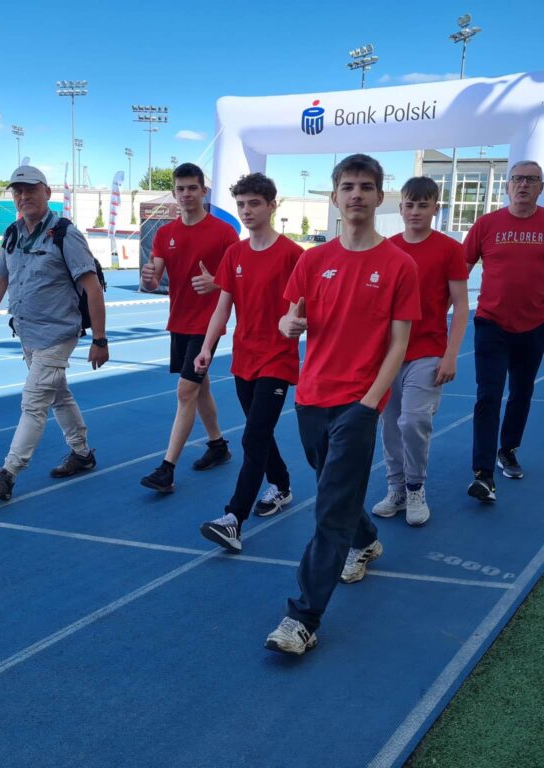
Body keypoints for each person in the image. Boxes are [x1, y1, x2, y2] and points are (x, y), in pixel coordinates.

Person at [265, 154, 420, 655]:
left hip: (359, 401)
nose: (356, 194)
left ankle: (302, 618)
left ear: (380, 197)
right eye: (348, 186)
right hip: (311, 398)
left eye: (366, 187)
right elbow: (291, 318)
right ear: (334, 197)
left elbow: (399, 343)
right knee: (337, 489)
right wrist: (289, 326)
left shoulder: (400, 265)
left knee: (330, 509)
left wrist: (371, 402)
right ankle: (367, 538)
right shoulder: (313, 261)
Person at [0, 165, 108, 501]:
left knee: (33, 403)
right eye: (18, 191)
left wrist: (100, 340)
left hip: (58, 334)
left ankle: (8, 474)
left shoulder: (65, 234)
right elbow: (0, 278)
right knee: (58, 395)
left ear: (47, 193)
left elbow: (92, 288)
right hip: (27, 333)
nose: (24, 196)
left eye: (31, 189)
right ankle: (82, 453)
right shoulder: (13, 233)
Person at [463, 160, 544, 504]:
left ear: (541, 187)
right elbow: (459, 270)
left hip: (534, 325)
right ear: (507, 186)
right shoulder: (486, 224)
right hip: (490, 323)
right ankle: (483, 474)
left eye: (531, 180)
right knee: (488, 395)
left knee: (521, 391)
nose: (523, 185)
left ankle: (508, 449)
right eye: (517, 179)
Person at [194, 173, 303, 553]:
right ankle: (283, 484)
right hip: (243, 358)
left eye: (255, 203)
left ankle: (233, 519)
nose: (247, 211)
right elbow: (222, 307)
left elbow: (303, 309)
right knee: (261, 432)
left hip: (277, 359)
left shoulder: (293, 254)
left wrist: (297, 325)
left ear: (272, 206)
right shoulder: (234, 254)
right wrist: (207, 347)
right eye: (241, 204)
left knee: (253, 435)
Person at [372, 177, 469, 527]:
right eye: (409, 205)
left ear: (435, 209)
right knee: (389, 424)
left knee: (413, 421)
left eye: (423, 205)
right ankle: (395, 488)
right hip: (388, 355)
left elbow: (460, 306)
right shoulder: (387, 248)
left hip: (428, 350)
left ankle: (415, 487)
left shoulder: (448, 249)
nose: (415, 211)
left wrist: (451, 353)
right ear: (400, 209)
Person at [139, 162, 240, 493]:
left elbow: (240, 278)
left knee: (185, 391)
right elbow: (153, 281)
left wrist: (216, 283)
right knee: (200, 388)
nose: (186, 194)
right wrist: (149, 279)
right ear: (174, 194)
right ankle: (218, 446)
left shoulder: (224, 233)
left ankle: (167, 469)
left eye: (192, 188)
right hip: (178, 321)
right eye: (180, 189)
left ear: (204, 191)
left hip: (207, 324)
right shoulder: (165, 234)